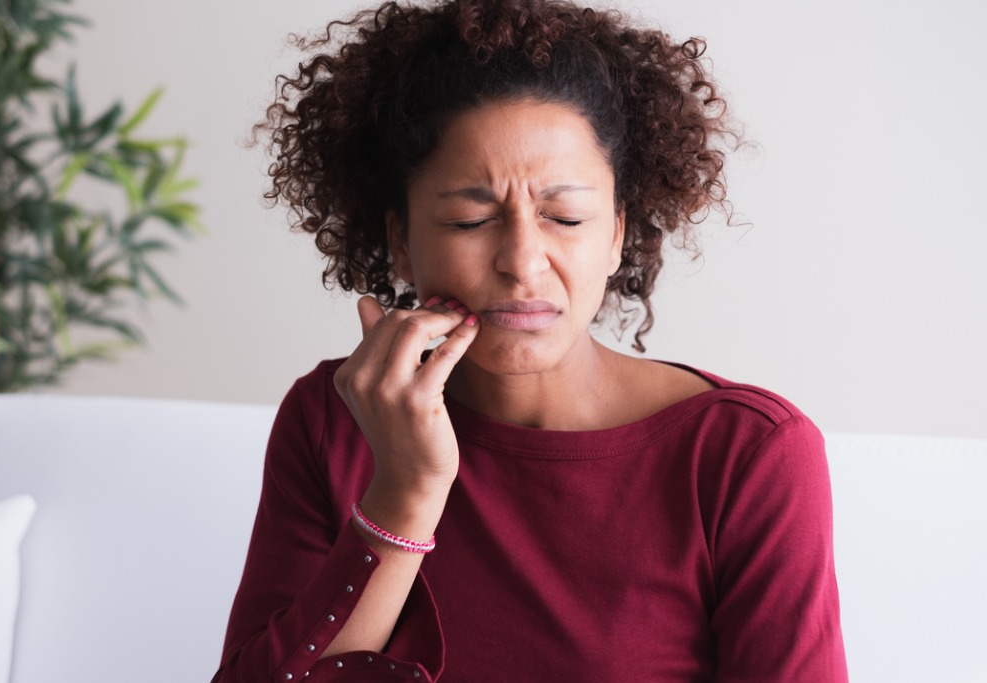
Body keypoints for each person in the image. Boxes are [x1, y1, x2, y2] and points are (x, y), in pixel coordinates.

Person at [214, 1, 847, 680]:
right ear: (399, 240)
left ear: (615, 236)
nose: (522, 259)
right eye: (469, 219)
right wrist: (405, 493)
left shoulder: (744, 456)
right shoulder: (335, 418)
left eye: (565, 216)